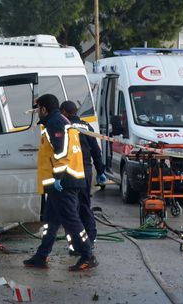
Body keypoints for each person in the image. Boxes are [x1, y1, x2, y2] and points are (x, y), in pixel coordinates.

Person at [24, 94, 98, 272]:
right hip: (62, 181)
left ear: (44, 109)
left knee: (72, 220)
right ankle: (42, 255)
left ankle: (88, 255)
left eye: (38, 109)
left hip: (64, 182)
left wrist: (58, 176)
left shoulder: (55, 123)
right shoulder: (59, 121)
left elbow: (62, 151)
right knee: (51, 220)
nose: (38, 113)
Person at [59, 100, 106, 255]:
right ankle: (90, 238)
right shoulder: (86, 127)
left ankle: (76, 243)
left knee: (71, 208)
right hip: (86, 171)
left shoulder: (64, 127)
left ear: (64, 112)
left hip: (71, 171)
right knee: (85, 204)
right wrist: (100, 171)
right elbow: (96, 152)